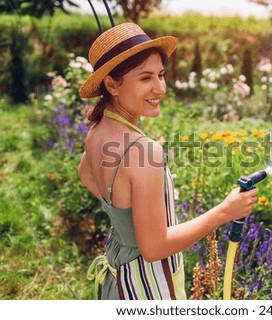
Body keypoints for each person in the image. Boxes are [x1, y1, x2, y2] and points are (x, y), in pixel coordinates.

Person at [77, 22, 258, 300]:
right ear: (112, 84)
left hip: (117, 274)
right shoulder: (143, 151)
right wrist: (226, 211)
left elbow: (86, 174)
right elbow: (154, 248)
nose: (160, 88)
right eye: (145, 78)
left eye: (161, 75)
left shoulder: (97, 129)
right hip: (144, 286)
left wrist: (125, 220)